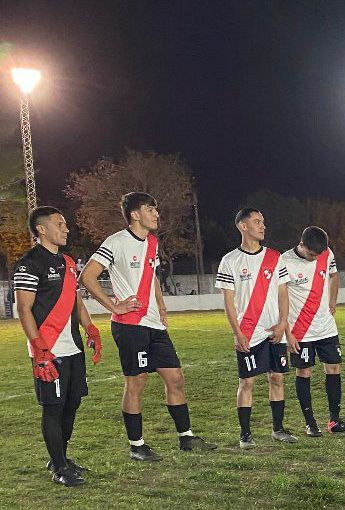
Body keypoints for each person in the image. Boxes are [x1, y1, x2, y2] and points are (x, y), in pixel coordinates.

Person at [80, 192, 216, 461]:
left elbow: (150, 276)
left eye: (156, 209)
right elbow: (88, 276)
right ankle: (137, 446)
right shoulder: (116, 242)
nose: (156, 214)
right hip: (130, 325)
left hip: (154, 324)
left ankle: (186, 438)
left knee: (175, 378)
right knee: (136, 383)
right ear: (134, 214)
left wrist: (162, 307)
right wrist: (114, 306)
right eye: (150, 209)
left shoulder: (152, 242)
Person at [14, 207, 102, 486]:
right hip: (48, 350)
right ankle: (59, 468)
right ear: (41, 229)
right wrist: (39, 350)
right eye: (59, 224)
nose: (66, 229)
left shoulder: (67, 262)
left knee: (72, 402)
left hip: (72, 347)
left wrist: (90, 328)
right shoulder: (29, 263)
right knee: (53, 407)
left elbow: (75, 300)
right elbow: (24, 309)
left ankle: (60, 457)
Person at [216, 208, 295, 447]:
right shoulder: (230, 261)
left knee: (277, 378)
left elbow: (283, 293)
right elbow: (228, 303)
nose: (263, 226)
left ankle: (278, 429)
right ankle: (245, 434)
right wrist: (238, 333)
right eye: (257, 222)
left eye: (263, 222)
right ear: (242, 226)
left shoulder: (275, 257)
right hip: (249, 332)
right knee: (247, 382)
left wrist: (283, 323)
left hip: (275, 331)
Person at [282, 226, 345, 434]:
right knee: (304, 371)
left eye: (319, 255)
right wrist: (288, 332)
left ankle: (334, 421)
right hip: (301, 329)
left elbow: (333, 275)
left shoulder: (326, 253)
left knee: (334, 368)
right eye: (312, 254)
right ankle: (310, 423)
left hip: (326, 327)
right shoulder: (284, 262)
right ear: (301, 245)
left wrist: (332, 300)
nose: (315, 258)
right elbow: (280, 299)